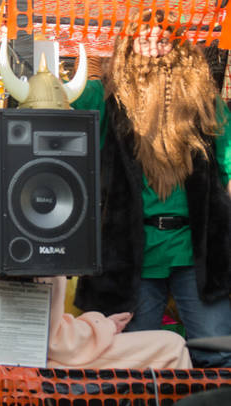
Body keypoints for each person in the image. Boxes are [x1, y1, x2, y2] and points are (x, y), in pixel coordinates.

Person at [69, 9, 231, 368]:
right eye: (143, 35)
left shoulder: (207, 107)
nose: (154, 44)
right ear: (127, 44)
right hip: (129, 255)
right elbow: (47, 108)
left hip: (199, 252)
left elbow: (227, 173)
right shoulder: (102, 98)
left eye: (164, 37)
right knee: (134, 360)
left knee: (220, 352)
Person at [44, 277, 192, 368]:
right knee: (173, 346)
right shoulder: (42, 254)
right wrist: (105, 325)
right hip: (47, 360)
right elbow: (56, 342)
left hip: (43, 355)